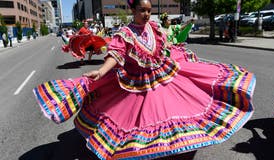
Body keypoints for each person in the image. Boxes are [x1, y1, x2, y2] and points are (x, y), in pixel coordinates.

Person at [33, 0, 256, 159]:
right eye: (142, 10)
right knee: (143, 120)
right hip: (136, 84)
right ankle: (151, 150)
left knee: (174, 109)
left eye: (149, 11)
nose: (147, 15)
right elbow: (115, 55)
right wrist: (101, 72)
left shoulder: (154, 29)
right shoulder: (125, 34)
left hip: (162, 75)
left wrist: (175, 50)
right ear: (133, 10)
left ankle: (172, 146)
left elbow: (164, 48)